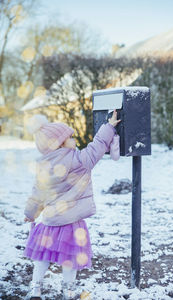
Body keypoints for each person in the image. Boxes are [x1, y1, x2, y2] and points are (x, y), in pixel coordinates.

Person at [23, 110, 121, 299]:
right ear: (59, 143)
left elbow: (37, 194)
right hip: (72, 224)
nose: (74, 140)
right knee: (70, 260)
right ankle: (68, 291)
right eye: (70, 137)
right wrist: (109, 127)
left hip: (49, 223)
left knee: (41, 258)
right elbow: (97, 146)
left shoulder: (43, 167)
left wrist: (30, 213)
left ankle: (35, 288)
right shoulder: (77, 160)